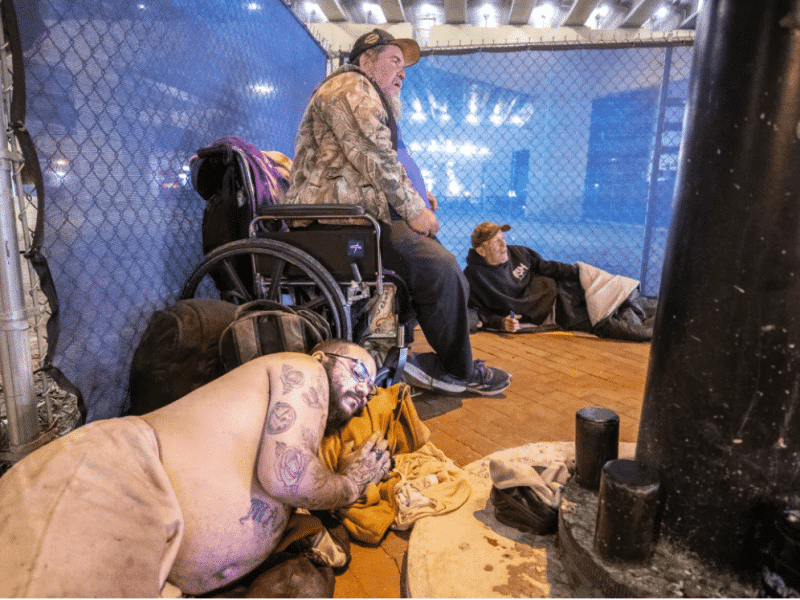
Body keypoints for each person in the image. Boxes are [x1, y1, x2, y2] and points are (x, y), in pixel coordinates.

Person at [0, 340, 393, 597]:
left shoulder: (298, 432)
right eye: (358, 372)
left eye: (372, 387)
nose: (365, 390)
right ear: (322, 356)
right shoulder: (304, 369)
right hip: (118, 474)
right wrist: (351, 484)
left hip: (160, 564)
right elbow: (288, 478)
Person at [285, 28, 511, 396]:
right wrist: (414, 208)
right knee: (440, 267)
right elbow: (375, 156)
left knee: (433, 259)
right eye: (394, 61)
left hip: (354, 219)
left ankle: (413, 354)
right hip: (334, 224)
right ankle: (458, 371)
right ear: (365, 61)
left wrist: (419, 196)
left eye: (404, 66)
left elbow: (376, 160)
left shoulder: (367, 96)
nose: (402, 72)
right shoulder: (349, 85)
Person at [464, 222, 658, 341]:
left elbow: (546, 266)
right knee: (612, 324)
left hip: (563, 288)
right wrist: (501, 323)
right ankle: (662, 326)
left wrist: (580, 272)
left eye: (503, 238)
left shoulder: (518, 252)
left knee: (618, 295)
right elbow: (479, 313)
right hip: (558, 313)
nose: (504, 244)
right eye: (496, 242)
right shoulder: (474, 278)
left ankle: (663, 309)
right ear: (481, 251)